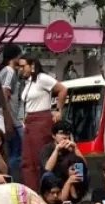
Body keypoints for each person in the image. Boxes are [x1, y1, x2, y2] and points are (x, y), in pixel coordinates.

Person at [18, 53, 66, 191]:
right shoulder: (28, 83)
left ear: (31, 65)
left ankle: (44, 191)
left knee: (39, 159)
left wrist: (58, 110)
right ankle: (31, 192)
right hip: (29, 121)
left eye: (22, 66)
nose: (20, 69)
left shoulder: (42, 78)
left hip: (41, 120)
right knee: (27, 161)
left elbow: (62, 89)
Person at [40, 120, 87, 198]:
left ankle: (79, 197)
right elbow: (48, 168)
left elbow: (84, 166)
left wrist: (75, 149)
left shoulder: (70, 148)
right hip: (54, 179)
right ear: (54, 136)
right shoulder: (46, 148)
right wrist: (57, 150)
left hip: (68, 177)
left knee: (82, 171)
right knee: (47, 175)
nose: (65, 136)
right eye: (61, 133)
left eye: (67, 134)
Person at [0, 43, 24, 181]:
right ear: (15, 56)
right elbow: (5, 93)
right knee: (16, 154)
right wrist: (8, 118)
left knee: (12, 153)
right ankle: (13, 180)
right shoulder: (9, 71)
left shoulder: (4, 71)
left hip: (10, 118)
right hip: (12, 119)